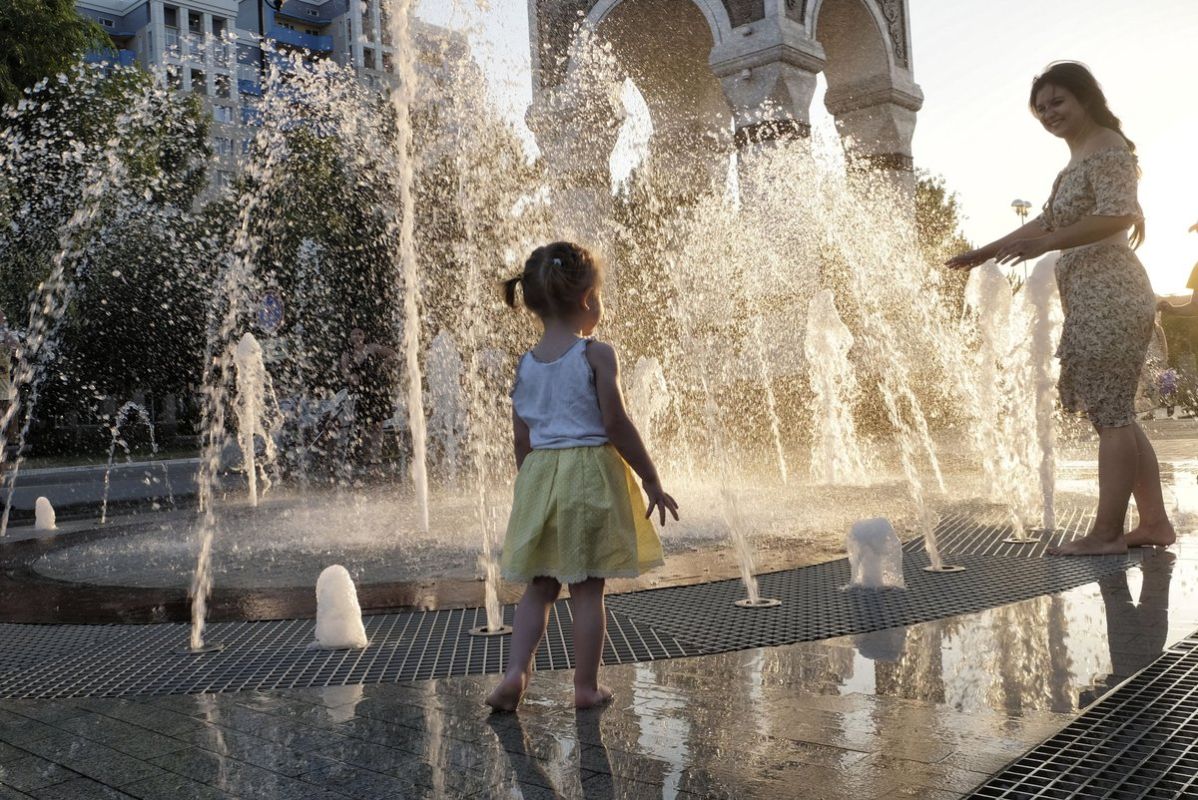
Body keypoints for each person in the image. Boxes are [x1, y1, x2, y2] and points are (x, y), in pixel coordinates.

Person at [946, 62, 1172, 555]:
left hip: (1111, 295)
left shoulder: (1109, 148)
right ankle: (1153, 523)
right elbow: (1045, 223)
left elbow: (1117, 215)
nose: (1049, 113)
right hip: (1094, 297)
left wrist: (1046, 243)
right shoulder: (1075, 162)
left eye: (1058, 102)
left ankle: (1107, 533)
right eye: (1041, 107)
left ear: (1085, 98)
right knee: (1118, 415)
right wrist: (983, 252)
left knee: (1110, 417)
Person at [485, 241, 678, 712]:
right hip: (589, 476)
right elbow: (616, 424)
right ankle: (585, 687)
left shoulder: (525, 365)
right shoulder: (595, 355)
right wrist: (651, 479)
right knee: (588, 589)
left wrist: (530, 492)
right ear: (588, 299)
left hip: (540, 477)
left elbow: (521, 440)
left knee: (541, 586)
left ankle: (516, 673)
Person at [339, 328, 397, 464]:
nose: (357, 336)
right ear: (350, 337)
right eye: (354, 334)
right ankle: (366, 455)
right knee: (365, 425)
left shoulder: (372, 348)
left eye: (360, 333)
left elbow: (393, 354)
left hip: (376, 389)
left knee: (378, 424)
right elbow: (344, 371)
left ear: (364, 336)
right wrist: (350, 377)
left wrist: (384, 364)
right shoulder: (347, 354)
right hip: (361, 392)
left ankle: (376, 455)